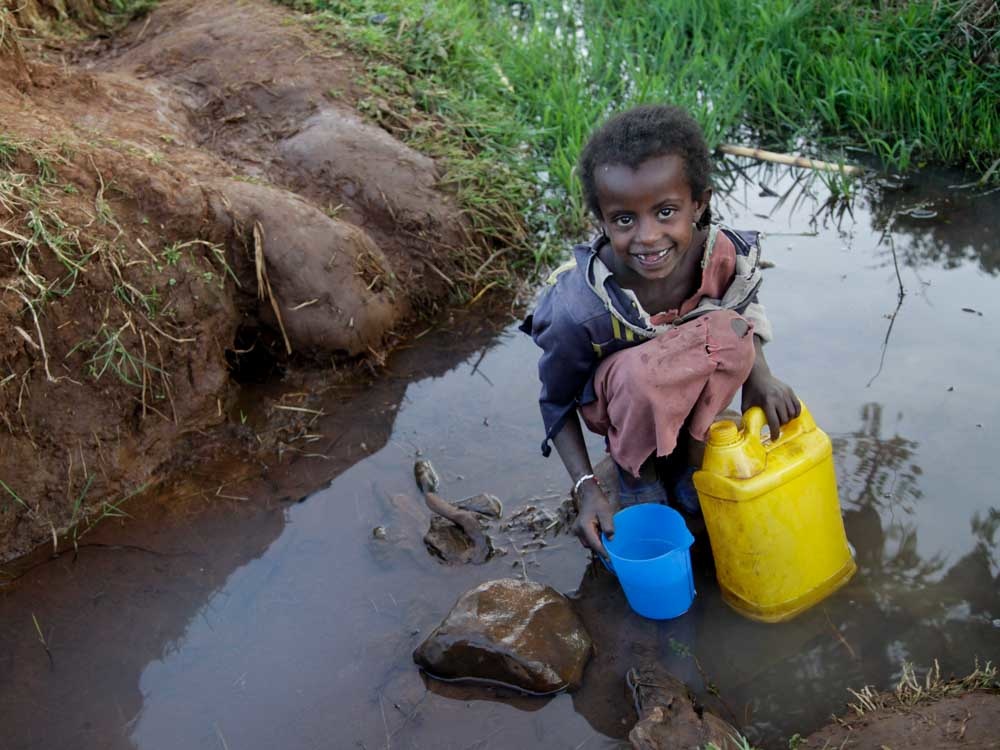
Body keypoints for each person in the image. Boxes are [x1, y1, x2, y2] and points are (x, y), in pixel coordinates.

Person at [520, 104, 800, 558]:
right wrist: (588, 485)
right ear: (603, 221)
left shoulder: (722, 256)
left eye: (666, 211)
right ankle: (638, 478)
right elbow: (555, 401)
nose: (648, 237)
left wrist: (761, 377)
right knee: (643, 374)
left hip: (682, 389)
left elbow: (743, 306)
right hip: (624, 398)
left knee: (732, 330)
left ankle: (690, 466)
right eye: (625, 220)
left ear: (699, 204)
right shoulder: (581, 306)